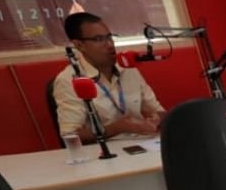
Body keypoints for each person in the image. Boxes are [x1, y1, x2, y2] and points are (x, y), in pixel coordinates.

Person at [53, 12, 164, 140]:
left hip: (144, 142)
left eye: (109, 37)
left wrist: (156, 119)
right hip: (106, 148)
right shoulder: (69, 80)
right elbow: (70, 135)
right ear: (79, 45)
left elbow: (159, 111)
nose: (110, 44)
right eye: (99, 39)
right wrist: (118, 128)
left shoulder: (127, 68)